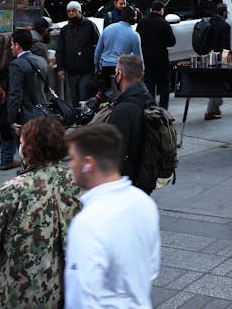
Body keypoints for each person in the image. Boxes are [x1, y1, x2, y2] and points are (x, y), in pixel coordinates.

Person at [0, 116, 82, 308]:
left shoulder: (14, 189)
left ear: (29, 148)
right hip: (68, 290)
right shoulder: (80, 182)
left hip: (18, 292)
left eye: (22, 142)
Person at [64, 123, 160, 307]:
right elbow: (151, 268)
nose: (70, 164)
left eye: (74, 158)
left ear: (88, 164)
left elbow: (81, 296)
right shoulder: (143, 202)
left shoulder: (88, 222)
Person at [97, 54, 156, 193]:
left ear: (120, 74)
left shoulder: (124, 109)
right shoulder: (147, 99)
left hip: (126, 183)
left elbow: (114, 152)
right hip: (144, 177)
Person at [7, 29, 48, 142]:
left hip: (26, 115)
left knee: (27, 150)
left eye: (11, 44)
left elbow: (15, 93)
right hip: (42, 111)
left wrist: (12, 118)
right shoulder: (41, 60)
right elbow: (45, 87)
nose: (11, 47)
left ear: (17, 45)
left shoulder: (16, 65)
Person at [57, 1, 99, 108]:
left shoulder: (89, 26)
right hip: (71, 71)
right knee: (74, 97)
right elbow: (60, 50)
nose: (71, 13)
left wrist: (97, 64)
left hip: (86, 70)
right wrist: (60, 68)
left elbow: (98, 44)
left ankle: (85, 119)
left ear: (79, 12)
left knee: (84, 95)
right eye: (69, 11)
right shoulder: (65, 30)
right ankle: (76, 118)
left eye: (73, 11)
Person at [136, 0, 176, 109]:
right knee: (164, 85)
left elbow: (138, 39)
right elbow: (172, 42)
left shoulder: (142, 22)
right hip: (161, 58)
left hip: (146, 58)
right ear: (162, 10)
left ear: (150, 10)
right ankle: (163, 110)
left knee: (149, 85)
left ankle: (150, 108)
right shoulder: (164, 23)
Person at [94, 6, 142, 95]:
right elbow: (138, 58)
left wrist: (97, 67)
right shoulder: (134, 35)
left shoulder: (107, 29)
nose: (136, 18)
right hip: (122, 69)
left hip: (106, 67)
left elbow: (98, 51)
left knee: (106, 94)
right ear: (131, 17)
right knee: (123, 94)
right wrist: (141, 74)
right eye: (135, 16)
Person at [205, 4, 230, 121]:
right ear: (224, 13)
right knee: (218, 83)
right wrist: (227, 60)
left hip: (208, 55)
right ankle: (211, 110)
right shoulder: (225, 26)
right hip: (219, 57)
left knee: (213, 82)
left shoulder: (209, 22)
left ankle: (215, 108)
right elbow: (226, 45)